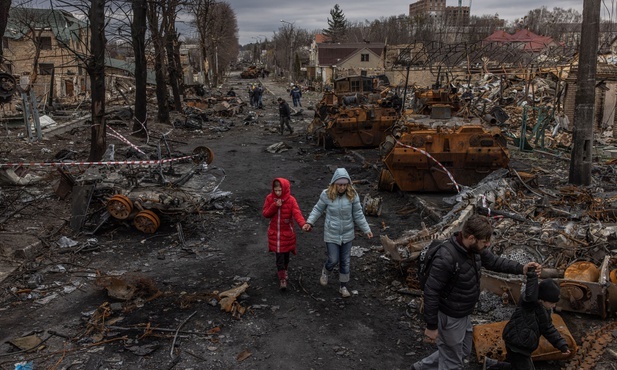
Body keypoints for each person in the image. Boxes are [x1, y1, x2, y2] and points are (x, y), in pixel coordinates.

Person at [411, 214, 541, 370]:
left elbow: (494, 262)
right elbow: (431, 291)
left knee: (463, 351)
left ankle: (421, 368)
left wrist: (522, 268)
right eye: (485, 242)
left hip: (463, 313)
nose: (488, 245)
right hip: (449, 316)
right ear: (471, 238)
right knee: (453, 362)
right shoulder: (446, 257)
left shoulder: (474, 250)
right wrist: (431, 326)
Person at [302, 168, 373, 298]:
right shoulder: (327, 194)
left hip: (347, 233)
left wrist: (366, 229)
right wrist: (309, 222)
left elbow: (358, 214)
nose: (342, 187)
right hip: (331, 233)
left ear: (348, 184)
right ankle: (326, 270)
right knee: (333, 259)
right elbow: (318, 209)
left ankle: (343, 286)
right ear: (334, 183)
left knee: (345, 261)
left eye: (344, 185)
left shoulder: (352, 195)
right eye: (340, 184)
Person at [483, 276, 571, 370]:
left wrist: (561, 344)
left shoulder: (545, 310)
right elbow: (530, 294)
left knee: (516, 367)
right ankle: (491, 365)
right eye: (552, 303)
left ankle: (491, 365)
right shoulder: (529, 304)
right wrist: (532, 275)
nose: (554, 305)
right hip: (517, 345)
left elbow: (548, 328)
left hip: (523, 345)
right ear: (542, 299)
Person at [262, 178, 306, 291]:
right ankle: (282, 278)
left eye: (280, 190)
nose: (278, 193)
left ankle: (284, 270)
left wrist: (303, 225)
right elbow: (266, 214)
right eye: (276, 190)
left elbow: (297, 214)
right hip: (275, 234)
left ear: (285, 189)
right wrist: (275, 205)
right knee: (279, 256)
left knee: (286, 256)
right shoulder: (269, 198)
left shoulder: (291, 200)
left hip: (287, 234)